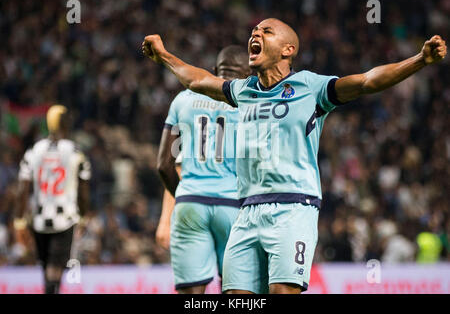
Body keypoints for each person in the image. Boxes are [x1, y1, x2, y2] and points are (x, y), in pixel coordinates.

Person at [142, 18, 447, 294]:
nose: (256, 34)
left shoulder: (310, 87)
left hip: (292, 208)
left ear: (288, 50)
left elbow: (368, 81)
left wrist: (420, 60)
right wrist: (164, 55)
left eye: (266, 31)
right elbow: (197, 81)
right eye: (253, 31)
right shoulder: (243, 90)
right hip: (245, 212)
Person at [155, 45, 251, 293]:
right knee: (238, 292)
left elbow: (164, 165)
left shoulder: (183, 100)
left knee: (192, 294)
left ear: (213, 71)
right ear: (247, 75)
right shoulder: (250, 102)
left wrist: (186, 195)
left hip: (190, 202)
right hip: (233, 206)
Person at [15, 105, 91, 294]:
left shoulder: (34, 150)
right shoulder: (74, 151)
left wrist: (19, 220)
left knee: (45, 267)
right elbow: (83, 189)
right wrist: (83, 215)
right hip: (65, 218)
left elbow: (22, 189)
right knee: (56, 270)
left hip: (39, 218)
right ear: (65, 123)